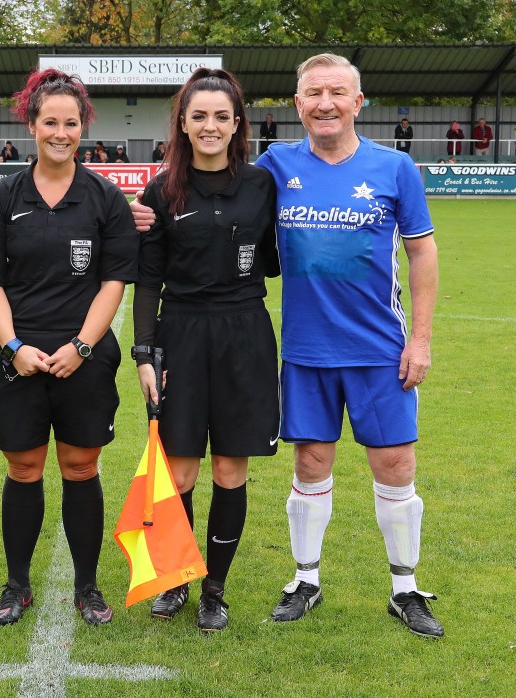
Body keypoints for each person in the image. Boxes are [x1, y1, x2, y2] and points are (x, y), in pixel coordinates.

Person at [130, 53, 443, 639]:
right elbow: (199, 211)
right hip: (302, 349)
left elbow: (422, 252)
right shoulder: (275, 167)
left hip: (380, 347)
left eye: (337, 92)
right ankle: (304, 580)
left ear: (358, 101)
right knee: (310, 462)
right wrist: (140, 216)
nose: (325, 103)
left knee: (397, 465)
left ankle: (406, 587)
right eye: (313, 94)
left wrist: (420, 341)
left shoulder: (395, 167)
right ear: (297, 105)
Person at [0, 68, 137, 628]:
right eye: (50, 122)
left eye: (71, 122)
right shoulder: (2, 198)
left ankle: (86, 587)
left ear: (82, 126)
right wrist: (11, 344)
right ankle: (17, 585)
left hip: (82, 356)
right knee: (24, 466)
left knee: (80, 464)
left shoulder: (105, 199)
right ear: (32, 124)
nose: (60, 132)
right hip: (17, 355)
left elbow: (114, 282)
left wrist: (83, 347)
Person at [133, 68, 279, 632]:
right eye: (200, 116)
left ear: (237, 123)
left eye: (222, 115)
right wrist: (144, 354)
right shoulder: (161, 190)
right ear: (183, 125)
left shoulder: (261, 186)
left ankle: (214, 589)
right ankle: (175, 578)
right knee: (181, 470)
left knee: (229, 467)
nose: (211, 125)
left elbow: (276, 256)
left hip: (245, 333)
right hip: (183, 334)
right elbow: (147, 280)